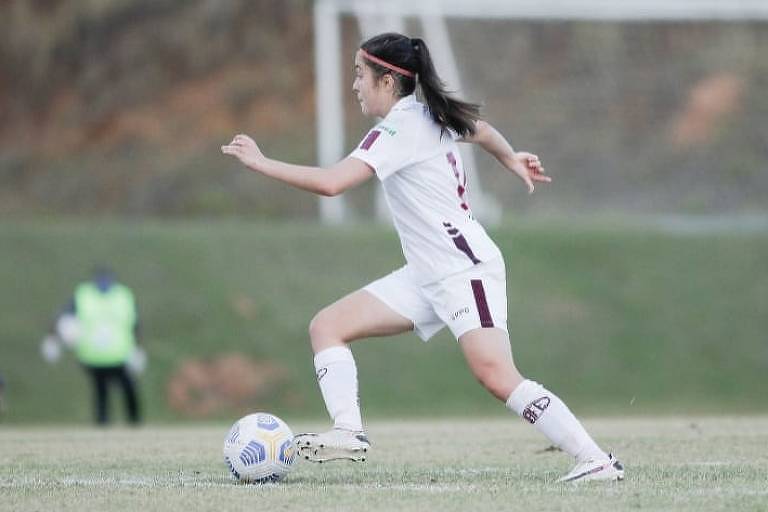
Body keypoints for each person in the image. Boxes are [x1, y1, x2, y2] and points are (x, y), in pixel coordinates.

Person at [221, 32, 623, 482]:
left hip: (464, 270)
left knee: (496, 375)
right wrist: (509, 158)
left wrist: (261, 163)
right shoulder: (425, 115)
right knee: (327, 326)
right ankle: (349, 431)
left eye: (360, 74)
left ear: (388, 81)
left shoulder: (397, 129)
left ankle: (595, 459)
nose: (355, 85)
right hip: (428, 275)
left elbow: (333, 183)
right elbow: (483, 131)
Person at [46, 267, 144, 425]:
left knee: (129, 388)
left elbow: (135, 323)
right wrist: (53, 340)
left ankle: (134, 422)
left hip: (120, 354)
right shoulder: (83, 295)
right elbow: (62, 318)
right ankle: (102, 425)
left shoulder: (123, 296)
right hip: (92, 356)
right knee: (101, 391)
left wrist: (138, 349)